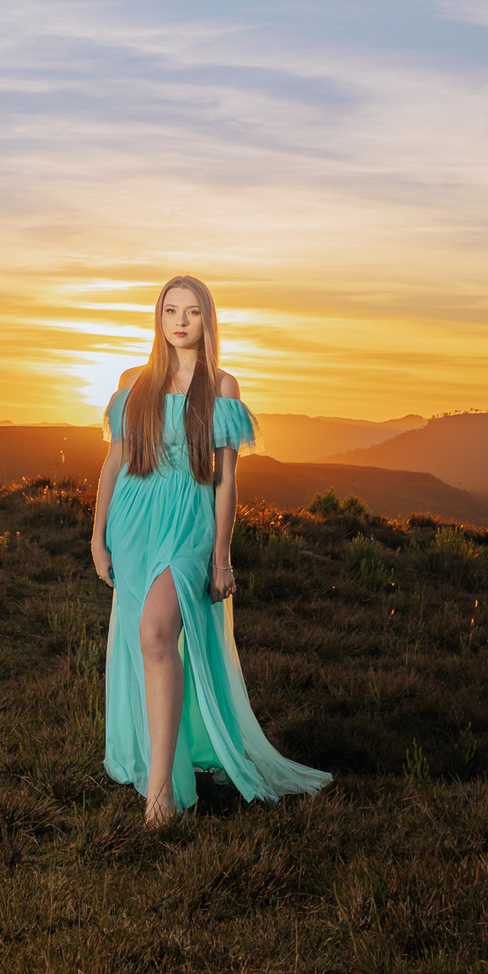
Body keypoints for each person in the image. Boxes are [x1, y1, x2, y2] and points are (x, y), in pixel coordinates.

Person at [90, 274, 332, 824]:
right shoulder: (134, 381)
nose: (179, 321)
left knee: (156, 632)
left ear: (207, 320)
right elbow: (113, 462)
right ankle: (166, 771)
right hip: (134, 520)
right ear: (158, 318)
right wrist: (98, 536)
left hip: (190, 521)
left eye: (191, 312)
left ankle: (161, 796)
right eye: (170, 310)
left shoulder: (221, 386)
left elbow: (225, 480)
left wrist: (221, 555)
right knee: (145, 643)